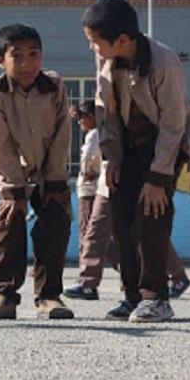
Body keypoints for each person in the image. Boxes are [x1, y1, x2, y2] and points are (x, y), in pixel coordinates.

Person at [82, 0, 190, 322]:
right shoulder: (106, 61)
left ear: (122, 40)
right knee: (121, 219)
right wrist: (113, 159)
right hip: (128, 148)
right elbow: (105, 112)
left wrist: (158, 178)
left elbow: (174, 124)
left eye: (96, 42)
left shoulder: (164, 63)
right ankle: (132, 296)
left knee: (150, 215)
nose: (93, 48)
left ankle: (156, 297)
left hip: (165, 147)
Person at [0, 23, 73, 320]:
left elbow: (63, 132)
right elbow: (1, 145)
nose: (26, 64)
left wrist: (54, 178)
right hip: (14, 169)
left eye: (33, 54)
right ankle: (4, 295)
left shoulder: (54, 86)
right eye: (16, 56)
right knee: (9, 224)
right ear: (0, 61)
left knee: (54, 226)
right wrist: (12, 191)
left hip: (49, 167)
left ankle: (49, 296)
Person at [64, 100, 115, 300]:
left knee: (89, 235)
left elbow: (90, 163)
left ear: (91, 118)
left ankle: (87, 282)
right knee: (103, 239)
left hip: (91, 191)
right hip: (93, 189)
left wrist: (88, 175)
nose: (80, 123)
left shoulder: (94, 135)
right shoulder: (95, 134)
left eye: (82, 118)